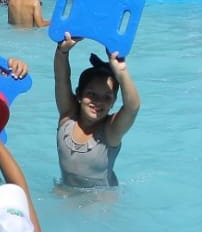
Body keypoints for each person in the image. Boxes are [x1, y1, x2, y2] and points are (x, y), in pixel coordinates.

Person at [54, 36, 141, 188]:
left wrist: (122, 73)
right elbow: (61, 79)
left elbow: (132, 108)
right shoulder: (67, 118)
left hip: (101, 203)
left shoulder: (110, 132)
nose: (98, 102)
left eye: (107, 97)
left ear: (114, 102)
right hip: (66, 192)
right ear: (79, 94)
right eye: (91, 94)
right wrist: (62, 51)